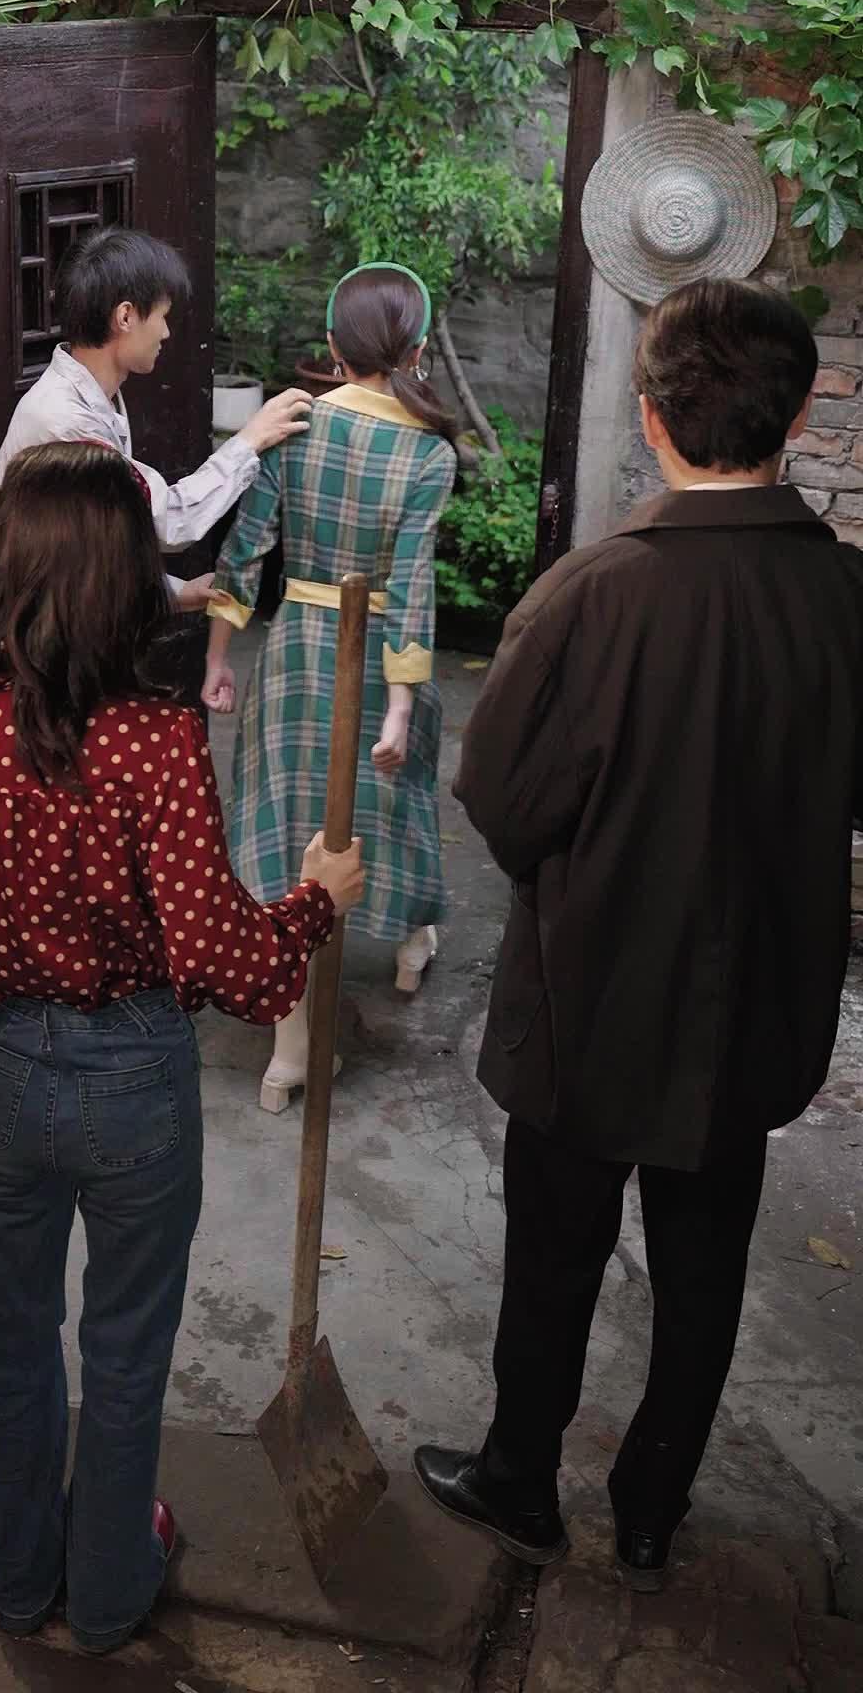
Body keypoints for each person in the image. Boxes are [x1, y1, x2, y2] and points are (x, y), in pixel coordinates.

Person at [415, 279, 863, 1590]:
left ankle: (520, 1481)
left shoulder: (594, 593)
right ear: (797, 414)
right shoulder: (846, 596)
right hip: (758, 1004)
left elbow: (503, 799)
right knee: (706, 1264)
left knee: (554, 1257)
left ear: (655, 418)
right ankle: (654, 1506)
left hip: (590, 995)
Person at [0, 441, 363, 1656]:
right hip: (138, 1084)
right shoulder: (152, 739)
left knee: (10, 1350)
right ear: (118, 586)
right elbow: (229, 962)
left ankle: (16, 1584)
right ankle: (105, 1598)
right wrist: (316, 904)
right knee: (125, 1352)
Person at [204, 263, 457, 1112]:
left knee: (286, 836)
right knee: (393, 804)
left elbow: (245, 550)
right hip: (382, 654)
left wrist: (216, 657)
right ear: (416, 349)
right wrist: (400, 704)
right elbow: (411, 585)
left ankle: (290, 1054)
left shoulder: (296, 425)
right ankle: (413, 938)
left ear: (332, 348)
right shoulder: (429, 453)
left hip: (297, 653)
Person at [0, 226, 312, 609]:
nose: (166, 332)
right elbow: (167, 520)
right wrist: (250, 440)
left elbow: (104, 537)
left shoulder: (91, 397)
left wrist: (177, 593)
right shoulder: (66, 421)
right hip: (35, 624)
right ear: (125, 316)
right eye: (162, 315)